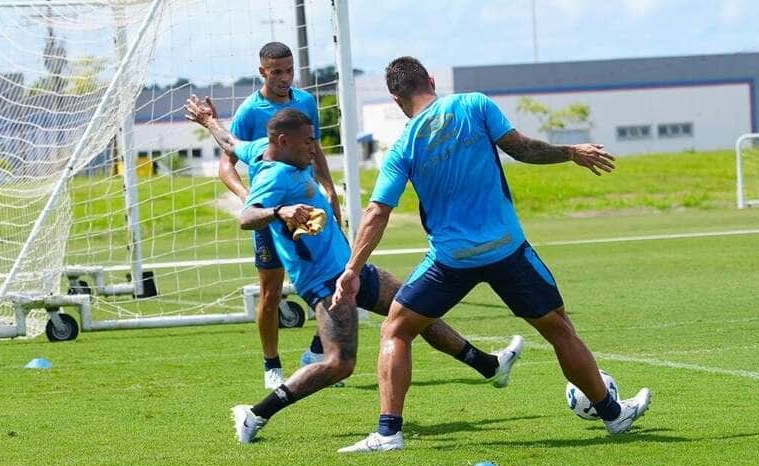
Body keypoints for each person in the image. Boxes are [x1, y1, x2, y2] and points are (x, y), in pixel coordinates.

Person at [332, 56, 652, 453]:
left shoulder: (403, 147)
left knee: (396, 330)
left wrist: (352, 269)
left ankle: (388, 433)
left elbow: (377, 211)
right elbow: (522, 149)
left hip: (451, 261)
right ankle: (612, 414)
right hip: (507, 251)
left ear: (397, 100)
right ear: (431, 80)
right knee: (558, 330)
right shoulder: (475, 105)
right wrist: (571, 152)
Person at [185, 97, 524, 446]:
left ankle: (489, 366)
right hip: (325, 282)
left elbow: (231, 143)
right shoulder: (273, 176)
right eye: (308, 142)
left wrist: (210, 121)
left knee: (415, 307)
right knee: (340, 364)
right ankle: (255, 415)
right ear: (284, 142)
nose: (314, 149)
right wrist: (281, 211)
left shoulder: (261, 148)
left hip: (348, 269)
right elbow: (246, 217)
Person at [219, 42, 341, 390]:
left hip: (307, 209)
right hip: (273, 214)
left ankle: (319, 354)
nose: (285, 78)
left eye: (289, 71)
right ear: (262, 72)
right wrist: (250, 202)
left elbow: (314, 149)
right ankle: (272, 367)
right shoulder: (249, 111)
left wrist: (330, 191)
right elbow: (226, 166)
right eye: (277, 72)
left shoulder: (305, 102)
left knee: (337, 280)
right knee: (271, 292)